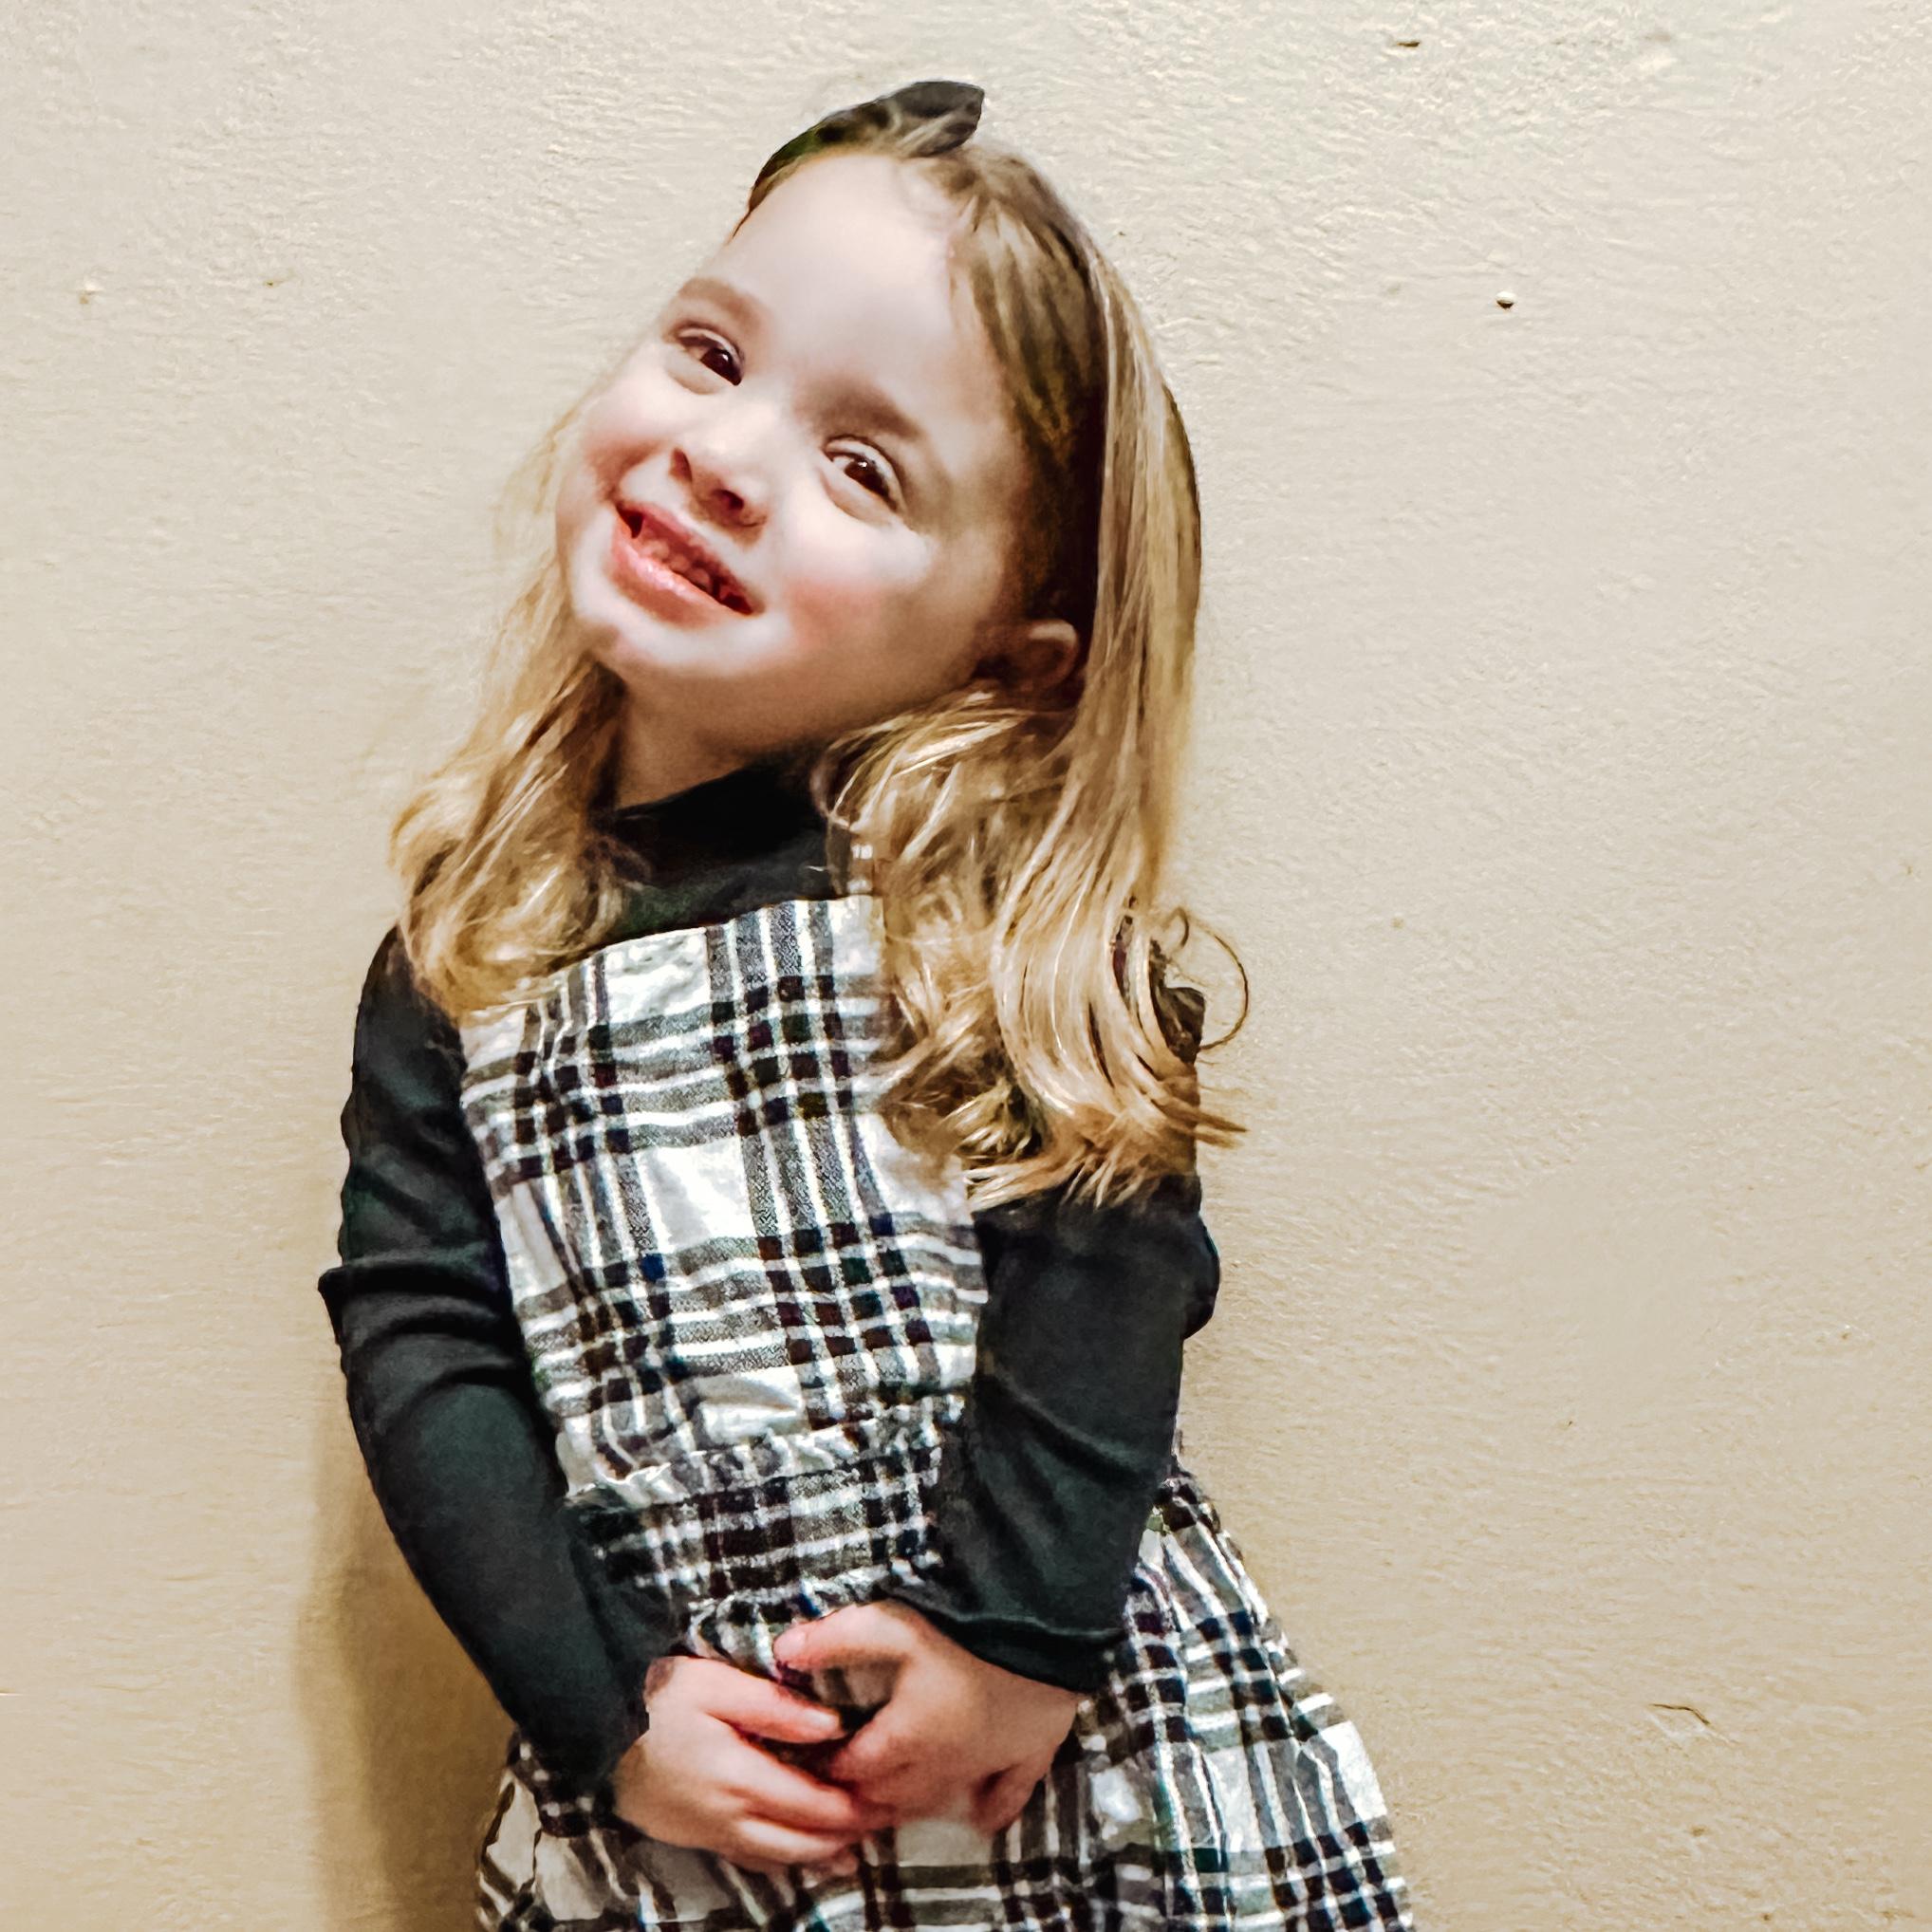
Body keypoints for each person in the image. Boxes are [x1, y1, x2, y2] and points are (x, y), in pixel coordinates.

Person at [318, 77, 1415, 1931]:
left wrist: (1012, 1631)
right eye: (709, 352)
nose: (727, 456)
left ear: (1012, 652)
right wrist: (606, 1707)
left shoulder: (996, 911)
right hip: (693, 1792)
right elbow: (426, 1346)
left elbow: (1109, 1261)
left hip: (1060, 1762)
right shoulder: (473, 947)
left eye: (865, 466)